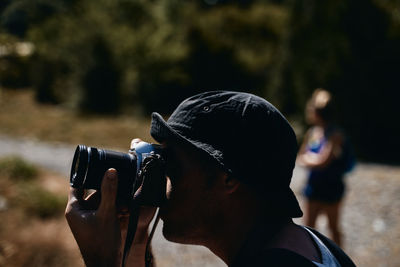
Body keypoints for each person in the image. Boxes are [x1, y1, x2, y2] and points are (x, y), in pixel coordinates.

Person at [66, 91, 356, 266]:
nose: (162, 179)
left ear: (228, 178)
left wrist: (101, 260)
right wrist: (138, 237)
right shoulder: (312, 245)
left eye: (172, 165)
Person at [297, 89, 353, 247]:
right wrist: (311, 159)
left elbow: (323, 161)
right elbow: (301, 157)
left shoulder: (335, 134)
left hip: (331, 188)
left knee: (333, 227)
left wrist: (309, 159)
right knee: (308, 227)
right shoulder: (313, 132)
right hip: (314, 186)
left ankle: (340, 261)